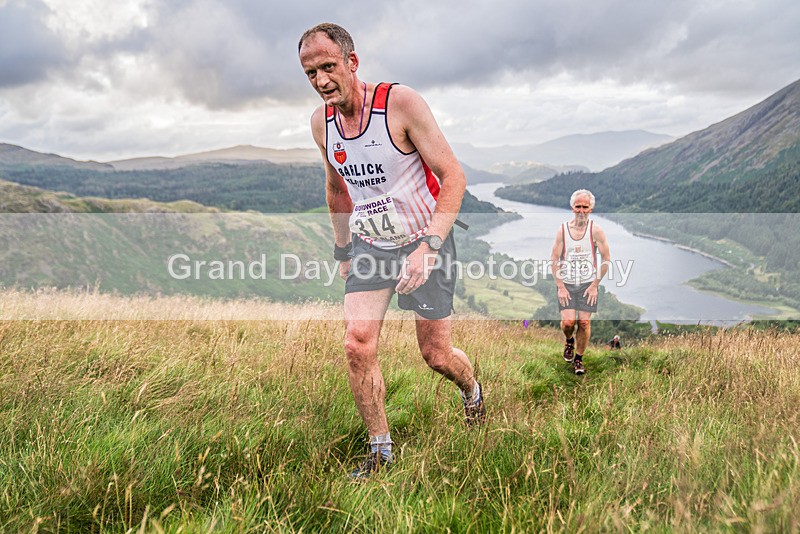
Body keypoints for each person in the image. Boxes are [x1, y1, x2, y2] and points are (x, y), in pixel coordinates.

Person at [298, 23, 485, 480]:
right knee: (357, 343)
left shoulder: (399, 104)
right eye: (310, 73)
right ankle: (381, 452)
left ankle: (473, 391)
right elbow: (336, 190)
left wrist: (429, 246)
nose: (321, 80)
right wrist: (343, 251)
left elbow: (453, 176)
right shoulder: (321, 124)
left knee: (436, 355)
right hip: (371, 243)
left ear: (352, 62)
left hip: (427, 241)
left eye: (328, 67)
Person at [550, 189, 611, 375]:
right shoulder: (562, 230)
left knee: (584, 323)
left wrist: (594, 285)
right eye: (578, 206)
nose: (581, 210)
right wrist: (560, 286)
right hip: (567, 283)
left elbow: (606, 259)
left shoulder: (596, 230)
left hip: (587, 284)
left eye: (585, 207)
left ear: (591, 208)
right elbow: (554, 259)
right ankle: (569, 341)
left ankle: (578, 359)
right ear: (572, 208)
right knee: (568, 322)